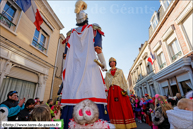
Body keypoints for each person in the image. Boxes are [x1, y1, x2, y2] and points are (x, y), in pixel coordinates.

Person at [60, 0, 109, 128]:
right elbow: (98, 49)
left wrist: (66, 73)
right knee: (92, 90)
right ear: (86, 19)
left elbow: (65, 57)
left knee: (73, 94)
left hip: (73, 72)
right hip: (89, 71)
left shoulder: (70, 34)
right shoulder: (93, 29)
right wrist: (104, 64)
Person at [105, 57, 137, 129]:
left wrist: (125, 90)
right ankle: (114, 123)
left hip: (119, 89)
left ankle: (126, 123)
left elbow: (123, 80)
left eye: (113, 61)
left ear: (115, 63)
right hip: (111, 91)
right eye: (110, 62)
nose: (112, 62)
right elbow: (106, 82)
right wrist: (106, 92)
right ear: (109, 64)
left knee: (122, 105)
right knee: (113, 107)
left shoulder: (120, 71)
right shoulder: (107, 73)